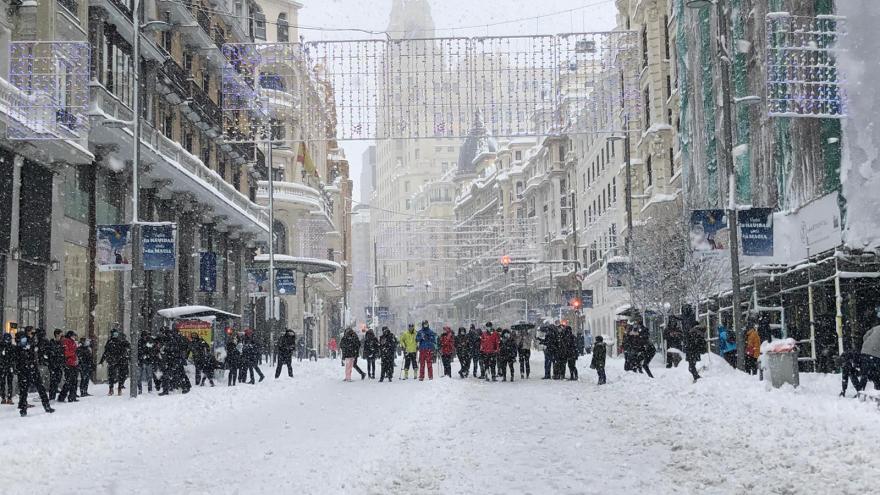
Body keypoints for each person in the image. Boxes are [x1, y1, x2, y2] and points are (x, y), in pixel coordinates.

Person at [15, 330, 55, 416]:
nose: (24, 341)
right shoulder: (18, 349)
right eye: (22, 339)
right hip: (24, 371)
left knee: (40, 388)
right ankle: (23, 409)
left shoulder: (30, 345)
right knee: (24, 391)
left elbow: (35, 353)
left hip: (32, 369)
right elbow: (16, 361)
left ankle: (47, 406)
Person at [99, 328, 130, 396]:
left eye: (116, 333)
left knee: (121, 375)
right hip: (112, 360)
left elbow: (128, 346)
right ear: (112, 334)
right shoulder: (110, 342)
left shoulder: (121, 341)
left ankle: (119, 388)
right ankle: (111, 389)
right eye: (114, 333)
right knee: (111, 375)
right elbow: (106, 352)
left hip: (120, 360)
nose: (116, 334)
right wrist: (102, 360)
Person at [858, 318, 880, 393]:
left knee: (864, 374)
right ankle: (877, 392)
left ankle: (860, 392)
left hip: (865, 352)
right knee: (877, 375)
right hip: (876, 354)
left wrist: (868, 345)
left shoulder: (876, 328)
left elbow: (864, 337)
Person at [58, 331, 79, 403]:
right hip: (68, 363)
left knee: (74, 381)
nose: (74, 337)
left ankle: (72, 396)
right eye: (73, 335)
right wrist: (74, 352)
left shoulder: (72, 342)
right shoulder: (66, 342)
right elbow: (67, 353)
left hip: (73, 363)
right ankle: (62, 396)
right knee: (69, 381)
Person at [0, 333, 15, 404]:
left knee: (6, 383)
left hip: (6, 366)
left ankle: (6, 398)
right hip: (5, 366)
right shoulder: (9, 347)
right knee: (6, 383)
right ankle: (6, 398)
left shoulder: (10, 347)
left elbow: (14, 357)